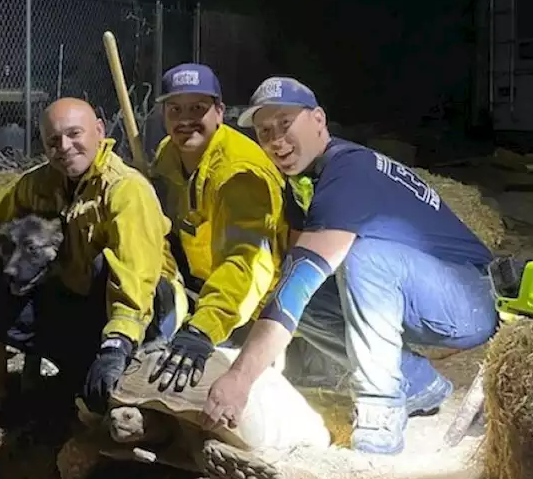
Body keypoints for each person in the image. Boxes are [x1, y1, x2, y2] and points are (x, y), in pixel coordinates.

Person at [202, 76, 498, 455]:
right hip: (423, 292)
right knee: (289, 292)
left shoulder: (348, 172)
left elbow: (300, 283)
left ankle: (381, 408)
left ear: (319, 120)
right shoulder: (309, 177)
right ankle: (416, 382)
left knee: (362, 257)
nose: (276, 140)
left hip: (468, 298)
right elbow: (290, 282)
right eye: (265, 131)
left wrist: (240, 378)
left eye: (286, 123)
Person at [0, 97, 184, 414]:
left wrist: (117, 343)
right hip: (79, 294)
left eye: (75, 134)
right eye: (53, 140)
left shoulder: (125, 190)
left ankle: (122, 362)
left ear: (99, 131)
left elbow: (135, 276)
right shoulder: (41, 182)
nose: (65, 146)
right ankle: (69, 367)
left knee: (104, 265)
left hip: (146, 304)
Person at [143, 63, 293, 393]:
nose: (185, 120)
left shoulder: (240, 175)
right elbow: (163, 236)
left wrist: (203, 329)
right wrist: (168, 289)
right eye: (175, 109)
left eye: (198, 108)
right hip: (202, 286)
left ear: (219, 112)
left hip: (252, 306)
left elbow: (248, 265)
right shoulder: (169, 156)